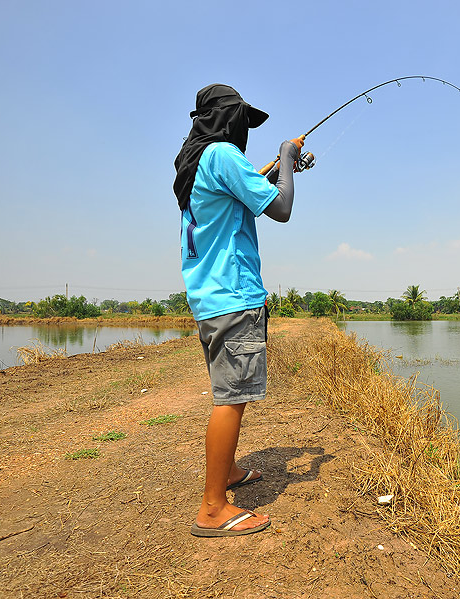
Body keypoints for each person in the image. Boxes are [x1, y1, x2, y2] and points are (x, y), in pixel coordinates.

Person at [173, 84, 304, 537]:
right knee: (232, 398)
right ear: (226, 119)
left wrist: (271, 172)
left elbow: (240, 203)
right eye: (241, 121)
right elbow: (282, 209)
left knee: (234, 391)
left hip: (210, 297)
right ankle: (212, 508)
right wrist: (287, 157)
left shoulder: (196, 163)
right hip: (235, 297)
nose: (242, 130)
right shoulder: (224, 154)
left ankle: (226, 474)